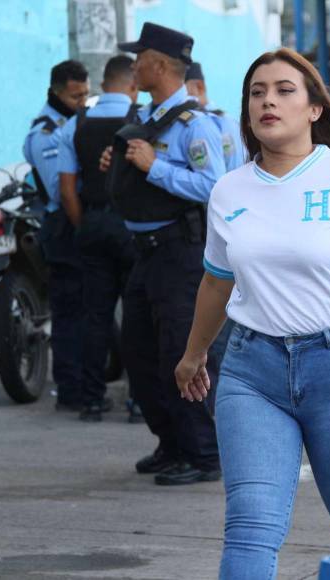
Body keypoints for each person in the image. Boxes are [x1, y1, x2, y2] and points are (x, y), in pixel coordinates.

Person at [174, 48, 330, 578]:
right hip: (251, 372)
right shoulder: (228, 190)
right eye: (257, 92)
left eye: (285, 90)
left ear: (313, 109)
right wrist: (194, 355)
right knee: (250, 525)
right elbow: (218, 282)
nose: (268, 101)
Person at [101, 23, 227, 486]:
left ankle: (203, 453)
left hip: (180, 253)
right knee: (139, 352)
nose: (134, 66)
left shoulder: (196, 125)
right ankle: (171, 442)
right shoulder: (148, 119)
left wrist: (155, 169)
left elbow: (215, 187)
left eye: (139, 59)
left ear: (158, 64)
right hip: (145, 255)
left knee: (182, 352)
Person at [57, 55, 139, 422]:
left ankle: (92, 399)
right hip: (132, 229)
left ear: (103, 84)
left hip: (92, 223)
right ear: (132, 84)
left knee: (96, 315)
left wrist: (84, 224)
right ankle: (138, 401)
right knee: (138, 316)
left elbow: (67, 189)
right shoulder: (143, 120)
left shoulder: (76, 123)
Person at [23, 60, 90, 412]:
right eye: (74, 95)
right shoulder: (46, 133)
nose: (81, 100)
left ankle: (86, 383)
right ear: (56, 92)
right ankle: (70, 389)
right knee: (69, 313)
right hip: (64, 226)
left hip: (75, 223)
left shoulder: (76, 122)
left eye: (86, 93)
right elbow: (60, 188)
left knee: (86, 309)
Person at [185, 61, 247, 170]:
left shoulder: (224, 123)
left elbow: (235, 168)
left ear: (199, 87)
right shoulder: (185, 122)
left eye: (181, 90)